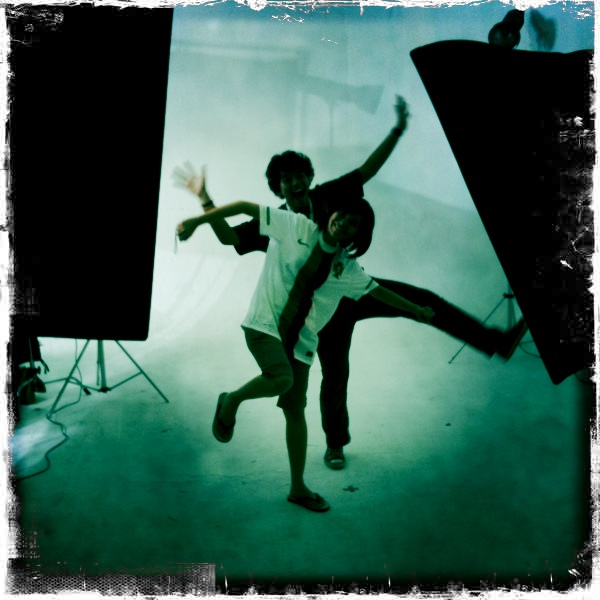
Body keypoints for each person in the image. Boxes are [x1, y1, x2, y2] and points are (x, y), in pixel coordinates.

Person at [173, 96, 527, 471]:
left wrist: (397, 130)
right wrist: (205, 201)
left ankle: (496, 341)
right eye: (286, 179)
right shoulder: (275, 221)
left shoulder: (327, 195)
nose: (294, 182)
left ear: (309, 177)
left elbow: (367, 170)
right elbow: (229, 237)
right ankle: (335, 445)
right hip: (317, 312)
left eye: (299, 175)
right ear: (278, 188)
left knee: (422, 299)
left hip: (352, 289)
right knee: (335, 374)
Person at [176, 192, 434, 512]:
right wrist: (197, 220)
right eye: (342, 214)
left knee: (295, 411)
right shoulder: (295, 226)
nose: (344, 223)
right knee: (281, 379)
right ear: (332, 212)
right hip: (265, 324)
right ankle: (231, 400)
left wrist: (415, 310)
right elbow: (244, 207)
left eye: (353, 223)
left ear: (358, 235)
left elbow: (379, 292)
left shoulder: (347, 269)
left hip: (301, 343)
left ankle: (298, 488)